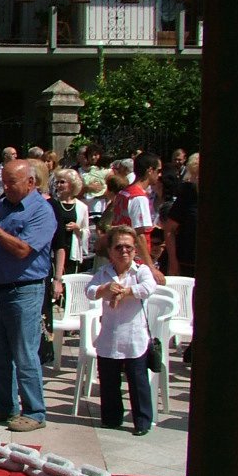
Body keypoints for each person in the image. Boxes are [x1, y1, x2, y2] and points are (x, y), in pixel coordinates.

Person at [0, 159, 57, 433]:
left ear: (31, 182)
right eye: (3, 181)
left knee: (24, 353)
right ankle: (4, 404)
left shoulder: (41, 211)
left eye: (11, 182)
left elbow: (22, 250)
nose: (5, 186)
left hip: (23, 290)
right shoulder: (3, 205)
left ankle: (34, 411)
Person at [85, 225, 158, 435]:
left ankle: (142, 422)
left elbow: (148, 288)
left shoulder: (141, 271)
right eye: (119, 247)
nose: (124, 251)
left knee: (138, 382)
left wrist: (124, 292)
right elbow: (90, 291)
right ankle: (111, 418)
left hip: (134, 335)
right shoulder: (104, 272)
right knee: (109, 381)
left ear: (135, 250)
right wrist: (105, 289)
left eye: (128, 247)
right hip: (109, 335)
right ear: (110, 251)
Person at [164, 153, 199, 277]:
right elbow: (169, 230)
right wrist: (173, 262)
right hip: (187, 261)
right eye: (194, 175)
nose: (195, 179)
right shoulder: (187, 194)